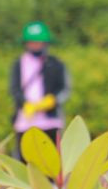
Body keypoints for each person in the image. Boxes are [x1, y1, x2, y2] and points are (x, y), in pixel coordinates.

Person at [11, 21, 69, 156]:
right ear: (26, 43)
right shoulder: (18, 64)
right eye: (32, 42)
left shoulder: (56, 64)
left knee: (52, 163)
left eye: (38, 42)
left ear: (45, 43)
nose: (35, 45)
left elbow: (64, 89)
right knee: (26, 162)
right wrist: (25, 103)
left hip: (50, 121)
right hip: (26, 121)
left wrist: (52, 101)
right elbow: (14, 90)